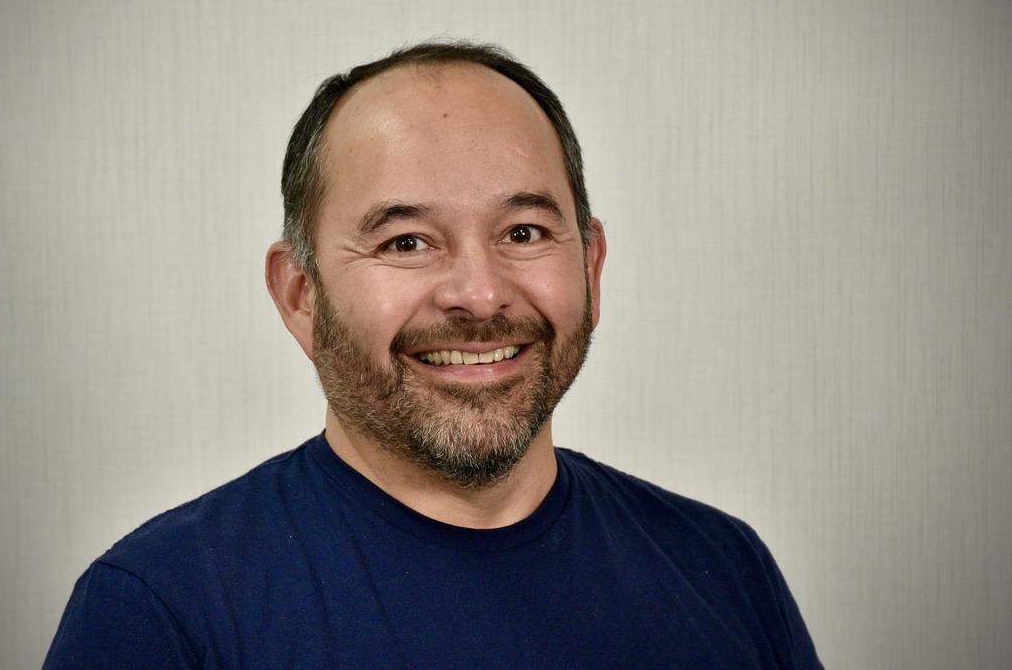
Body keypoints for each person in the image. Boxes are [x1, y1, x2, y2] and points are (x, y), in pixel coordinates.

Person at [45, 40, 822, 668]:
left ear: (589, 267)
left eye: (523, 232)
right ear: (301, 296)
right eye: (405, 242)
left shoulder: (724, 567)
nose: (479, 296)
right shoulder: (162, 610)